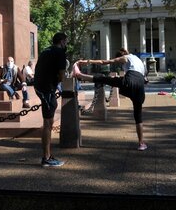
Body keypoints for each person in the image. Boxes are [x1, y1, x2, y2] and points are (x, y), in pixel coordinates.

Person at [71, 48, 148, 151]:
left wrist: (86, 61)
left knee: (105, 79)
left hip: (129, 82)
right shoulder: (138, 60)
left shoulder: (125, 57)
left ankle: (80, 75)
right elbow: (145, 78)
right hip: (140, 88)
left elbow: (104, 62)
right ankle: (141, 143)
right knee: (138, 116)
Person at [34, 32, 68, 167]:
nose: (67, 44)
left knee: (49, 122)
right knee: (48, 123)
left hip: (41, 87)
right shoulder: (60, 53)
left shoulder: (45, 51)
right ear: (61, 41)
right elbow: (61, 76)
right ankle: (46, 158)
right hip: (47, 89)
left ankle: (48, 155)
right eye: (66, 41)